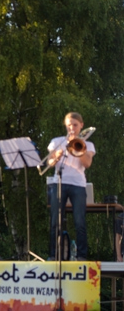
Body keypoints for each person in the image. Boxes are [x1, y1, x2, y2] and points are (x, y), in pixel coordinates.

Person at [47, 112, 95, 261]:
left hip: (78, 185)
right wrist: (56, 156)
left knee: (79, 221)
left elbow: (87, 164)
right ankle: (53, 255)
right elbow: (49, 163)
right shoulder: (57, 141)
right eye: (69, 125)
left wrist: (78, 147)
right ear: (65, 126)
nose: (72, 128)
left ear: (81, 125)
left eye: (75, 125)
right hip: (59, 183)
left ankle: (81, 255)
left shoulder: (88, 144)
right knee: (55, 221)